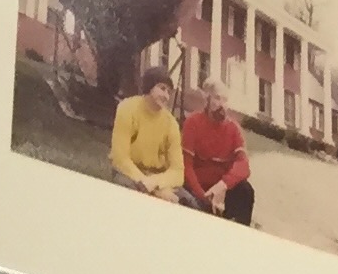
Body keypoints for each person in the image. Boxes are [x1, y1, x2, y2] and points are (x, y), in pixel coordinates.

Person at [180, 80, 256, 225]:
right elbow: (186, 166)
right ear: (207, 99)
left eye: (225, 100)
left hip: (222, 189)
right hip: (197, 189)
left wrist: (222, 185)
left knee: (245, 190)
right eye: (217, 98)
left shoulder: (233, 129)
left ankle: (238, 232)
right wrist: (204, 197)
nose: (222, 104)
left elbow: (243, 165)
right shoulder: (193, 123)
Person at [109, 69, 187, 198]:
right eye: (162, 88)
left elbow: (178, 172)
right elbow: (120, 158)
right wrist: (149, 187)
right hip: (128, 172)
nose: (166, 96)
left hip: (157, 177)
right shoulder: (127, 108)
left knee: (188, 202)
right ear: (149, 86)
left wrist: (155, 183)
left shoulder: (171, 123)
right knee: (133, 195)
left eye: (169, 92)